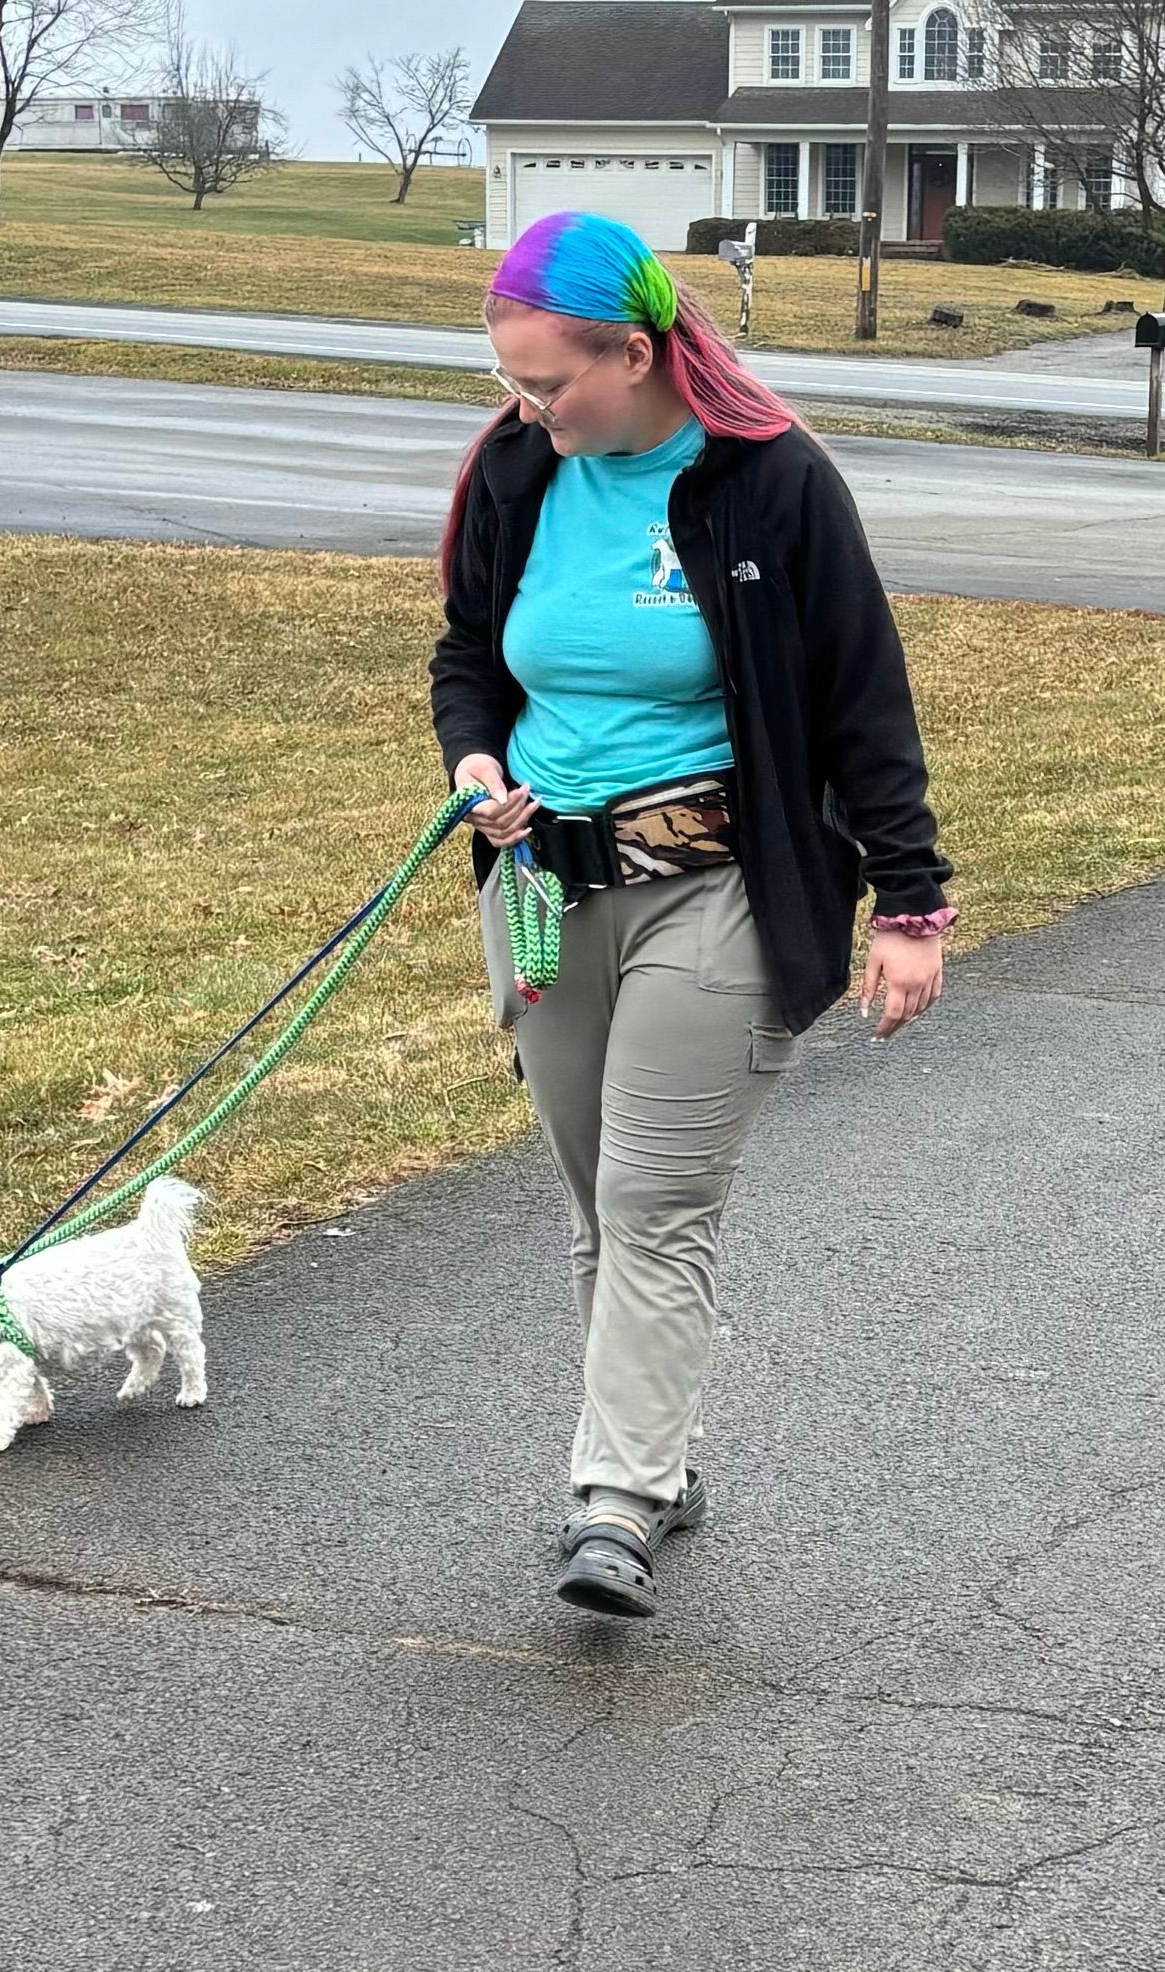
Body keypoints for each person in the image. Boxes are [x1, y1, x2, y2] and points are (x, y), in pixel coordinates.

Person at [429, 212, 955, 1621]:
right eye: (516, 384)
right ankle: (656, 1451)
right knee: (600, 1205)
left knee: (658, 1205)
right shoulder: (514, 473)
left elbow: (862, 699)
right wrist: (473, 761)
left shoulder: (769, 482)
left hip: (715, 891)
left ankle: (610, 1503)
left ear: (643, 351)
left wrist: (907, 901)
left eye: (553, 384)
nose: (528, 409)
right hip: (542, 892)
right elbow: (468, 659)